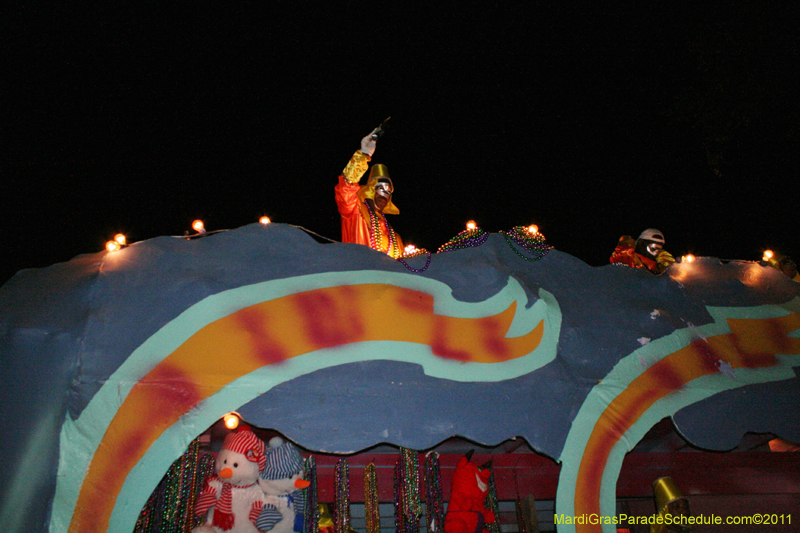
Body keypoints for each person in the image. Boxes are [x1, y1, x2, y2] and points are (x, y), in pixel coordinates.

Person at [334, 126, 403, 258]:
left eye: (388, 191)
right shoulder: (355, 212)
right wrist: (363, 154)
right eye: (381, 188)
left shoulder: (394, 237)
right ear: (372, 190)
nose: (384, 194)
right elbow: (346, 186)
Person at [610, 228, 675, 275]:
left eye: (659, 249)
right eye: (653, 248)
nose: (656, 252)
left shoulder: (660, 265)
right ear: (641, 243)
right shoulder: (627, 256)